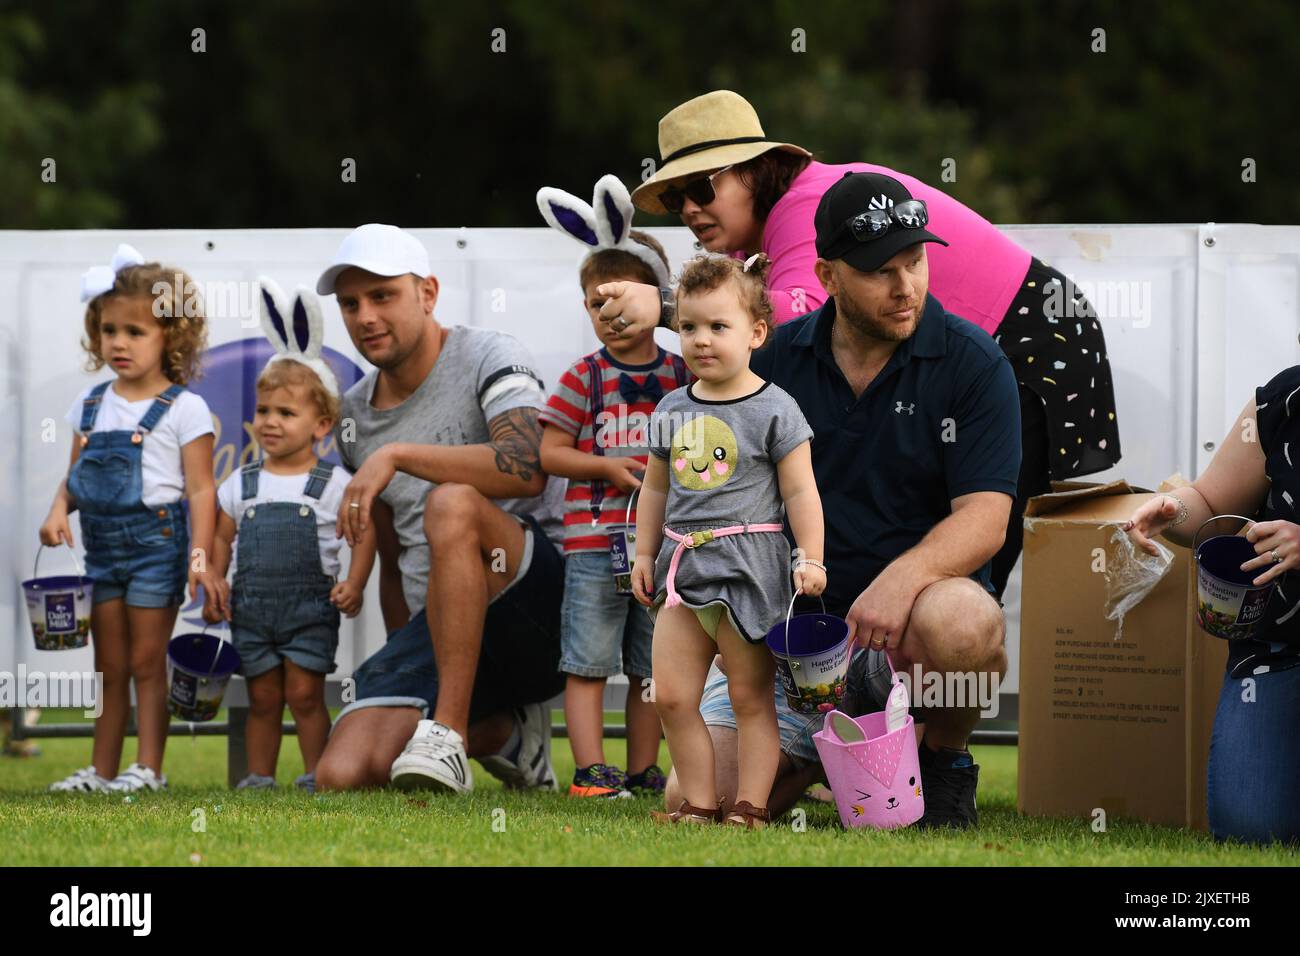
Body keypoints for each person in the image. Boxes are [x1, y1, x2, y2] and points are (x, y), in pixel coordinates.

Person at [600, 89, 1121, 597]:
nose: (689, 208)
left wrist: (667, 307)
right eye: (674, 198)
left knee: (963, 567)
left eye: (702, 188)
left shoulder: (808, 204)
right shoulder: (762, 242)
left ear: (757, 170)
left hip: (1038, 340)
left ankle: (935, 663)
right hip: (1005, 336)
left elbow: (803, 306)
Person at [664, 172, 1019, 828]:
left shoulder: (974, 361)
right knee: (693, 801)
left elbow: (987, 518)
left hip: (913, 632)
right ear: (826, 276)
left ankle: (942, 760)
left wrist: (902, 579)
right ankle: (838, 755)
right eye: (880, 270)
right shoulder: (775, 362)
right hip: (792, 639)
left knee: (966, 625)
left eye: (915, 261)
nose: (906, 285)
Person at [312, 224, 566, 795]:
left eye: (382, 296)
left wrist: (399, 454)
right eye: (351, 304)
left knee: (450, 503)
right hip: (443, 627)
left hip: (536, 611)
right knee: (343, 774)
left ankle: (448, 733)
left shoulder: (487, 351)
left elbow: (528, 463)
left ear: (427, 293)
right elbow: (395, 554)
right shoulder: (354, 412)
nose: (365, 317)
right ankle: (506, 734)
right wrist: (406, 651)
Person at [634, 253, 825, 828]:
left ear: (756, 332)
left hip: (751, 572)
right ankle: (697, 803)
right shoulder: (671, 408)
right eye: (689, 327)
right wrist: (644, 553)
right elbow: (654, 490)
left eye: (719, 326)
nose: (702, 340)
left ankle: (751, 806)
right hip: (682, 573)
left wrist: (810, 556)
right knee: (671, 697)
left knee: (749, 699)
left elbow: (801, 494)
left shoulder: (776, 409)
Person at [40, 244, 221, 793]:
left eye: (135, 332)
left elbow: (201, 490)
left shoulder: (184, 408)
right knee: (108, 665)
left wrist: (200, 558)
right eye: (109, 329)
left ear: (172, 336)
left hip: (156, 546)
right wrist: (56, 510)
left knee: (146, 660)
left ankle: (150, 769)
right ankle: (100, 770)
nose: (118, 342)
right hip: (102, 550)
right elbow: (77, 477)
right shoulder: (89, 406)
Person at [536, 175, 688, 798]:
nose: (611, 317)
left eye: (623, 302)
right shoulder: (583, 377)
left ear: (659, 300)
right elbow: (549, 451)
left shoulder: (684, 372)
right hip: (595, 545)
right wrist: (603, 467)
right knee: (588, 660)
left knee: (651, 664)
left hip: (665, 547)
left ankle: (643, 768)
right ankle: (591, 770)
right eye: (597, 305)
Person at [203, 280, 376, 793]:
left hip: (308, 610)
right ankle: (258, 776)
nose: (270, 423)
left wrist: (356, 582)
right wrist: (212, 577)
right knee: (261, 696)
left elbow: (361, 537)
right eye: (263, 412)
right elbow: (221, 538)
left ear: (322, 424)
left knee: (303, 693)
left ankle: (316, 774)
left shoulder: (334, 484)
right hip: (252, 610)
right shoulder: (241, 482)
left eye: (286, 413)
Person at [1124, 368, 1300, 845]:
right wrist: (1172, 510)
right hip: (1280, 649)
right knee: (1252, 830)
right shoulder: (1285, 399)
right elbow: (1209, 502)